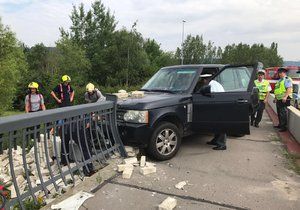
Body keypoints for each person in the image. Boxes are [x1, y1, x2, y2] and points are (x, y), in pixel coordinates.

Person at [198, 74, 227, 150]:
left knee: (220, 125)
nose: (202, 82)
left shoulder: (211, 85)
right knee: (216, 125)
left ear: (206, 79)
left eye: (203, 80)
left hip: (220, 106)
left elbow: (212, 96)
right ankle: (216, 141)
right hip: (219, 105)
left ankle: (222, 144)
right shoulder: (214, 83)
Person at [273, 68, 293, 132]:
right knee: (279, 112)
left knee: (283, 113)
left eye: (281, 73)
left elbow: (289, 89)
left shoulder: (287, 79)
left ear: (284, 73)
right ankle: (280, 124)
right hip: (279, 99)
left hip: (284, 98)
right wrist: (275, 98)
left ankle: (284, 127)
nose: (279, 74)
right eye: (279, 73)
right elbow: (277, 90)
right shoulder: (279, 80)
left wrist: (285, 97)